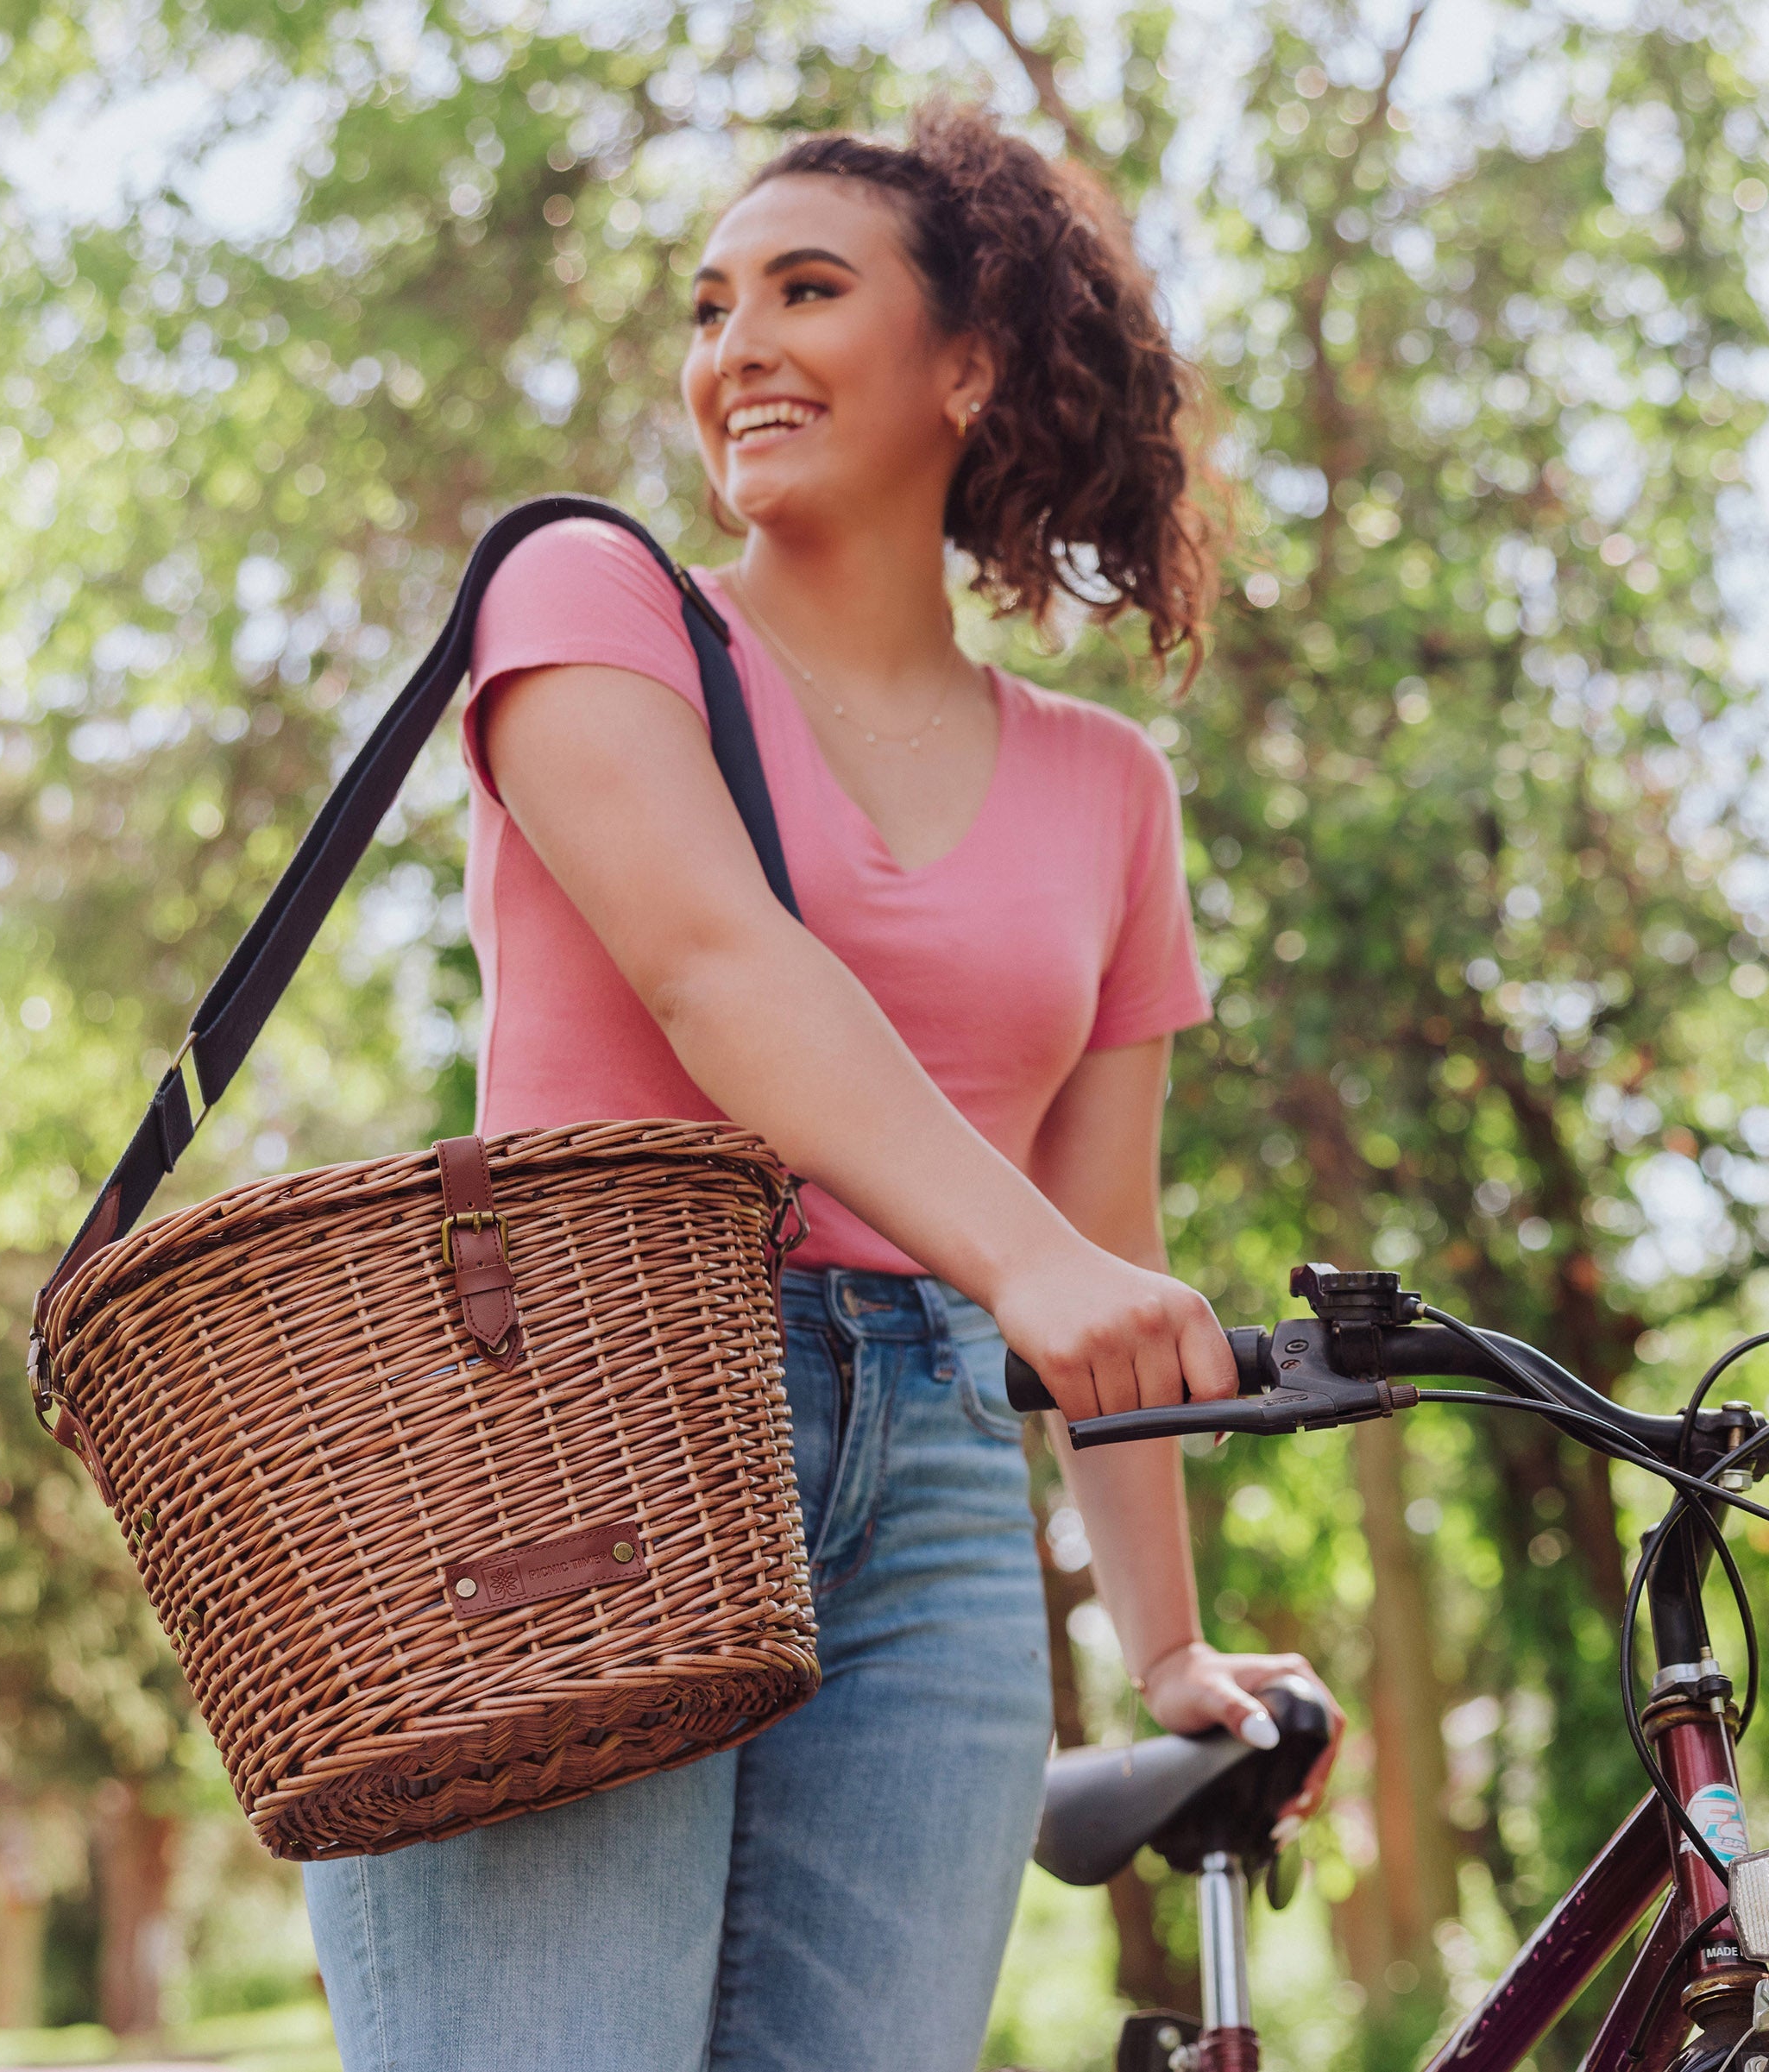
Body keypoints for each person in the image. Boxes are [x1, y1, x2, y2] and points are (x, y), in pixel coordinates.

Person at [299, 105, 1341, 2071]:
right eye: (712, 306)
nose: (737, 348)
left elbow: (1106, 1245)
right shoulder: (594, 612)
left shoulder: (1107, 791)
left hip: (943, 1479)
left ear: (971, 364)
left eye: (806, 290)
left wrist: (1165, 1640)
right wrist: (1032, 1265)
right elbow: (718, 971)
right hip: (586, 1428)